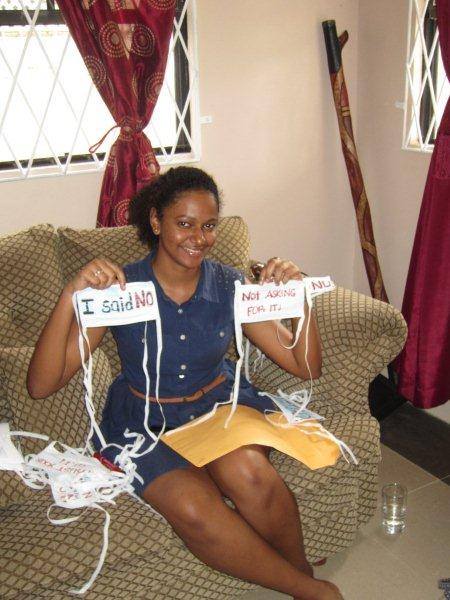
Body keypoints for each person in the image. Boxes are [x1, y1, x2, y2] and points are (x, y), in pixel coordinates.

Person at [27, 167, 344, 600]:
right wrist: (71, 294)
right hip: (144, 423)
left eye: (209, 225)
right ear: (156, 222)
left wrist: (300, 298)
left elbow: (304, 365)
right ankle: (309, 589)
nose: (199, 237)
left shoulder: (230, 284)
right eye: (184, 223)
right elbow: (41, 385)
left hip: (217, 408)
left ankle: (300, 569)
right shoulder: (121, 289)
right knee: (193, 508)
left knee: (248, 472)